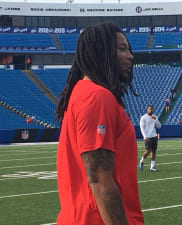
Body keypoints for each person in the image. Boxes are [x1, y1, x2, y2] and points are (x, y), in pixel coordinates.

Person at [55, 23, 143, 225]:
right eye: (122, 49)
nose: (130, 56)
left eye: (128, 49)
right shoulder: (96, 97)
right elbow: (99, 180)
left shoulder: (83, 92)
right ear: (101, 51)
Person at [139, 105, 161, 172]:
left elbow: (159, 126)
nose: (151, 110)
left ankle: (152, 167)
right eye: (150, 109)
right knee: (148, 151)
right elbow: (142, 128)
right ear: (147, 109)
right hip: (147, 137)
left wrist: (156, 119)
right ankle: (141, 161)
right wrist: (144, 136)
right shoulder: (143, 118)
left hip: (154, 136)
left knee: (154, 151)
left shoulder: (155, 117)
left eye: (152, 109)